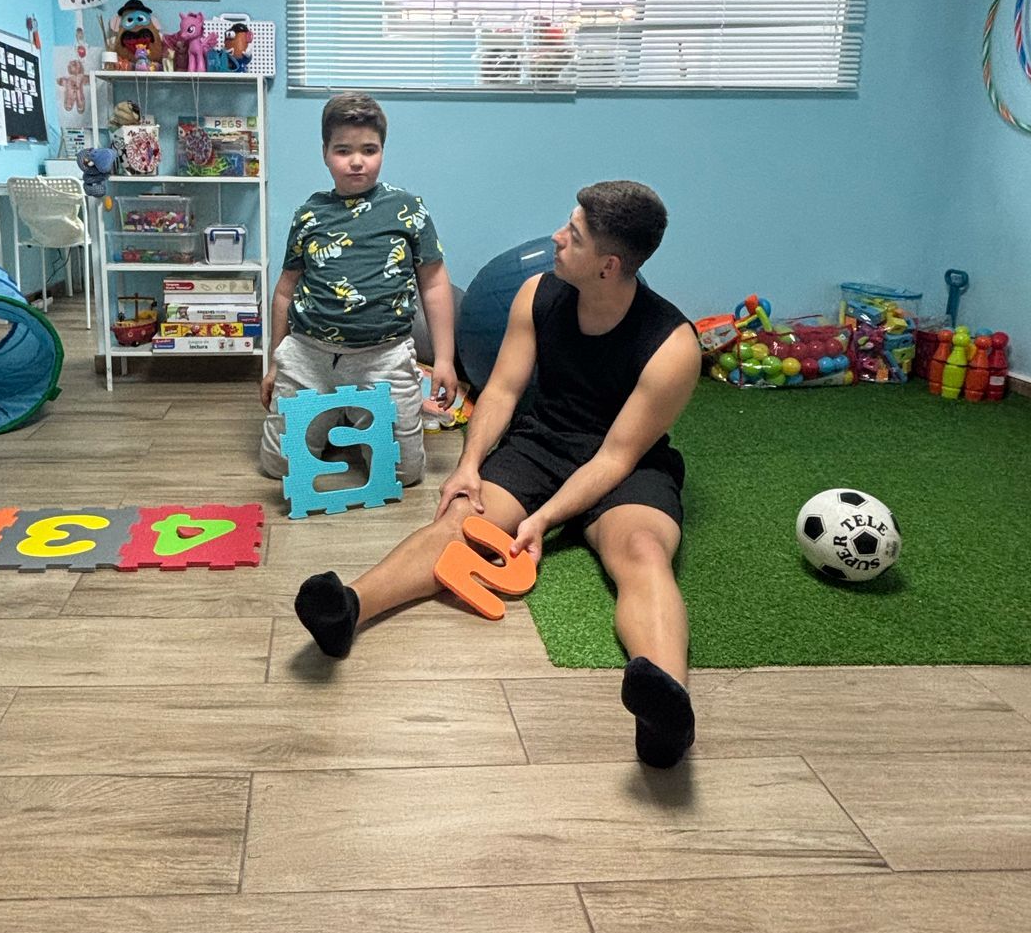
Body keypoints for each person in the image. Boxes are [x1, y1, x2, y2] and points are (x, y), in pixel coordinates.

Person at [292, 181, 702, 767]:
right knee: (460, 521)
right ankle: (348, 609)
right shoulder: (537, 294)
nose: (557, 239)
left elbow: (614, 457)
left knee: (642, 551)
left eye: (574, 235)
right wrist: (468, 467)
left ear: (608, 266)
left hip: (626, 461)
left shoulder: (673, 345)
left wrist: (543, 519)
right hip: (542, 443)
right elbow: (503, 390)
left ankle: (668, 709)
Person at [260, 91, 458, 489]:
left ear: (382, 150)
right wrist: (274, 362)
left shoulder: (407, 209)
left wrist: (446, 361)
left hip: (383, 355)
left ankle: (356, 411)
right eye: (343, 150)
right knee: (279, 466)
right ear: (325, 153)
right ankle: (342, 413)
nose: (356, 160)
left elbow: (435, 284)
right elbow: (285, 291)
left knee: (406, 474)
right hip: (308, 353)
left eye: (369, 149)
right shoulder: (309, 214)